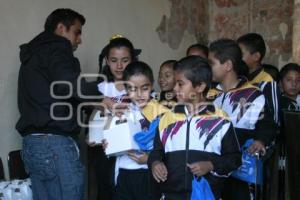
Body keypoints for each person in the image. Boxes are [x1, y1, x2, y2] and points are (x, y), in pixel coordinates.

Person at [16, 8, 100, 200]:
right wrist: (105, 90)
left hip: (33, 144)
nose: (79, 40)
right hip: (55, 145)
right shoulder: (57, 47)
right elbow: (67, 85)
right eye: (77, 32)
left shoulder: (34, 54)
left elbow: (57, 92)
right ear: (61, 28)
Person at [148, 56, 241, 200]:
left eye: (180, 84)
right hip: (171, 195)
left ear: (200, 87)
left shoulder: (220, 120)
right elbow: (157, 151)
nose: (175, 88)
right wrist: (155, 163)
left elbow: (234, 159)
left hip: (206, 194)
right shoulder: (166, 118)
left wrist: (211, 165)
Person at [103, 61, 169, 200]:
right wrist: (108, 145)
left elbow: (169, 148)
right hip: (123, 171)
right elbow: (112, 140)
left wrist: (149, 159)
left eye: (144, 88)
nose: (139, 94)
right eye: (133, 89)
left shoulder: (162, 113)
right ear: (126, 89)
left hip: (148, 173)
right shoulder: (121, 110)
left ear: (151, 85)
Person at [87, 35, 139, 200]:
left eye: (125, 60)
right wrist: (92, 137)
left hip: (132, 153)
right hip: (104, 152)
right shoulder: (98, 90)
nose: (119, 66)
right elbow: (94, 119)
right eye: (114, 60)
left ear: (133, 60)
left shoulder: (139, 88)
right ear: (107, 62)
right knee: (106, 191)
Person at [237, 33, 279, 125]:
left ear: (256, 56)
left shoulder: (267, 82)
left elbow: (273, 118)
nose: (236, 58)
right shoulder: (238, 79)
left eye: (240, 54)